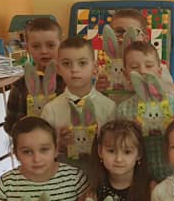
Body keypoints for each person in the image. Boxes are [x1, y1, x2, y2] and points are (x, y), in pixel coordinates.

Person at [115, 47, 174, 183]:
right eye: (134, 67)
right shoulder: (124, 109)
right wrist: (133, 133)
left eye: (149, 66)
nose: (142, 70)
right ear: (126, 74)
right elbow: (121, 146)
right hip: (139, 177)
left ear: (159, 72)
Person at [40, 36, 117, 166]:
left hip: (100, 173)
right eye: (66, 64)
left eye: (82, 63)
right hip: (65, 173)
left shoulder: (109, 107)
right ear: (58, 69)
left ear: (94, 67)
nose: (74, 69)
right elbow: (43, 150)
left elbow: (116, 146)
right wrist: (61, 144)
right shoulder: (51, 110)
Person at [5, 17, 66, 135]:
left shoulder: (69, 82)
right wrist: (22, 127)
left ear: (61, 46)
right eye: (36, 46)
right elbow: (10, 125)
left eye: (50, 45)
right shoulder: (20, 86)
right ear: (27, 49)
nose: (44, 51)